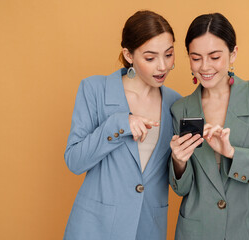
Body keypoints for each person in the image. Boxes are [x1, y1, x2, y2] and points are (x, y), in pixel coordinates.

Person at [169, 13, 249, 240]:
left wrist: (232, 153)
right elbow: (182, 189)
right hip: (199, 230)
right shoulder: (181, 109)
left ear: (233, 53)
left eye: (214, 57)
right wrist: (179, 162)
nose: (204, 67)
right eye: (196, 58)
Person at [63, 10, 180, 240]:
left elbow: (175, 178)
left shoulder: (176, 103)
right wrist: (119, 124)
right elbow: (75, 161)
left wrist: (180, 161)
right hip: (96, 228)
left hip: (149, 227)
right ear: (128, 55)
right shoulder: (94, 90)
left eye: (168, 54)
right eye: (150, 58)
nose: (162, 66)